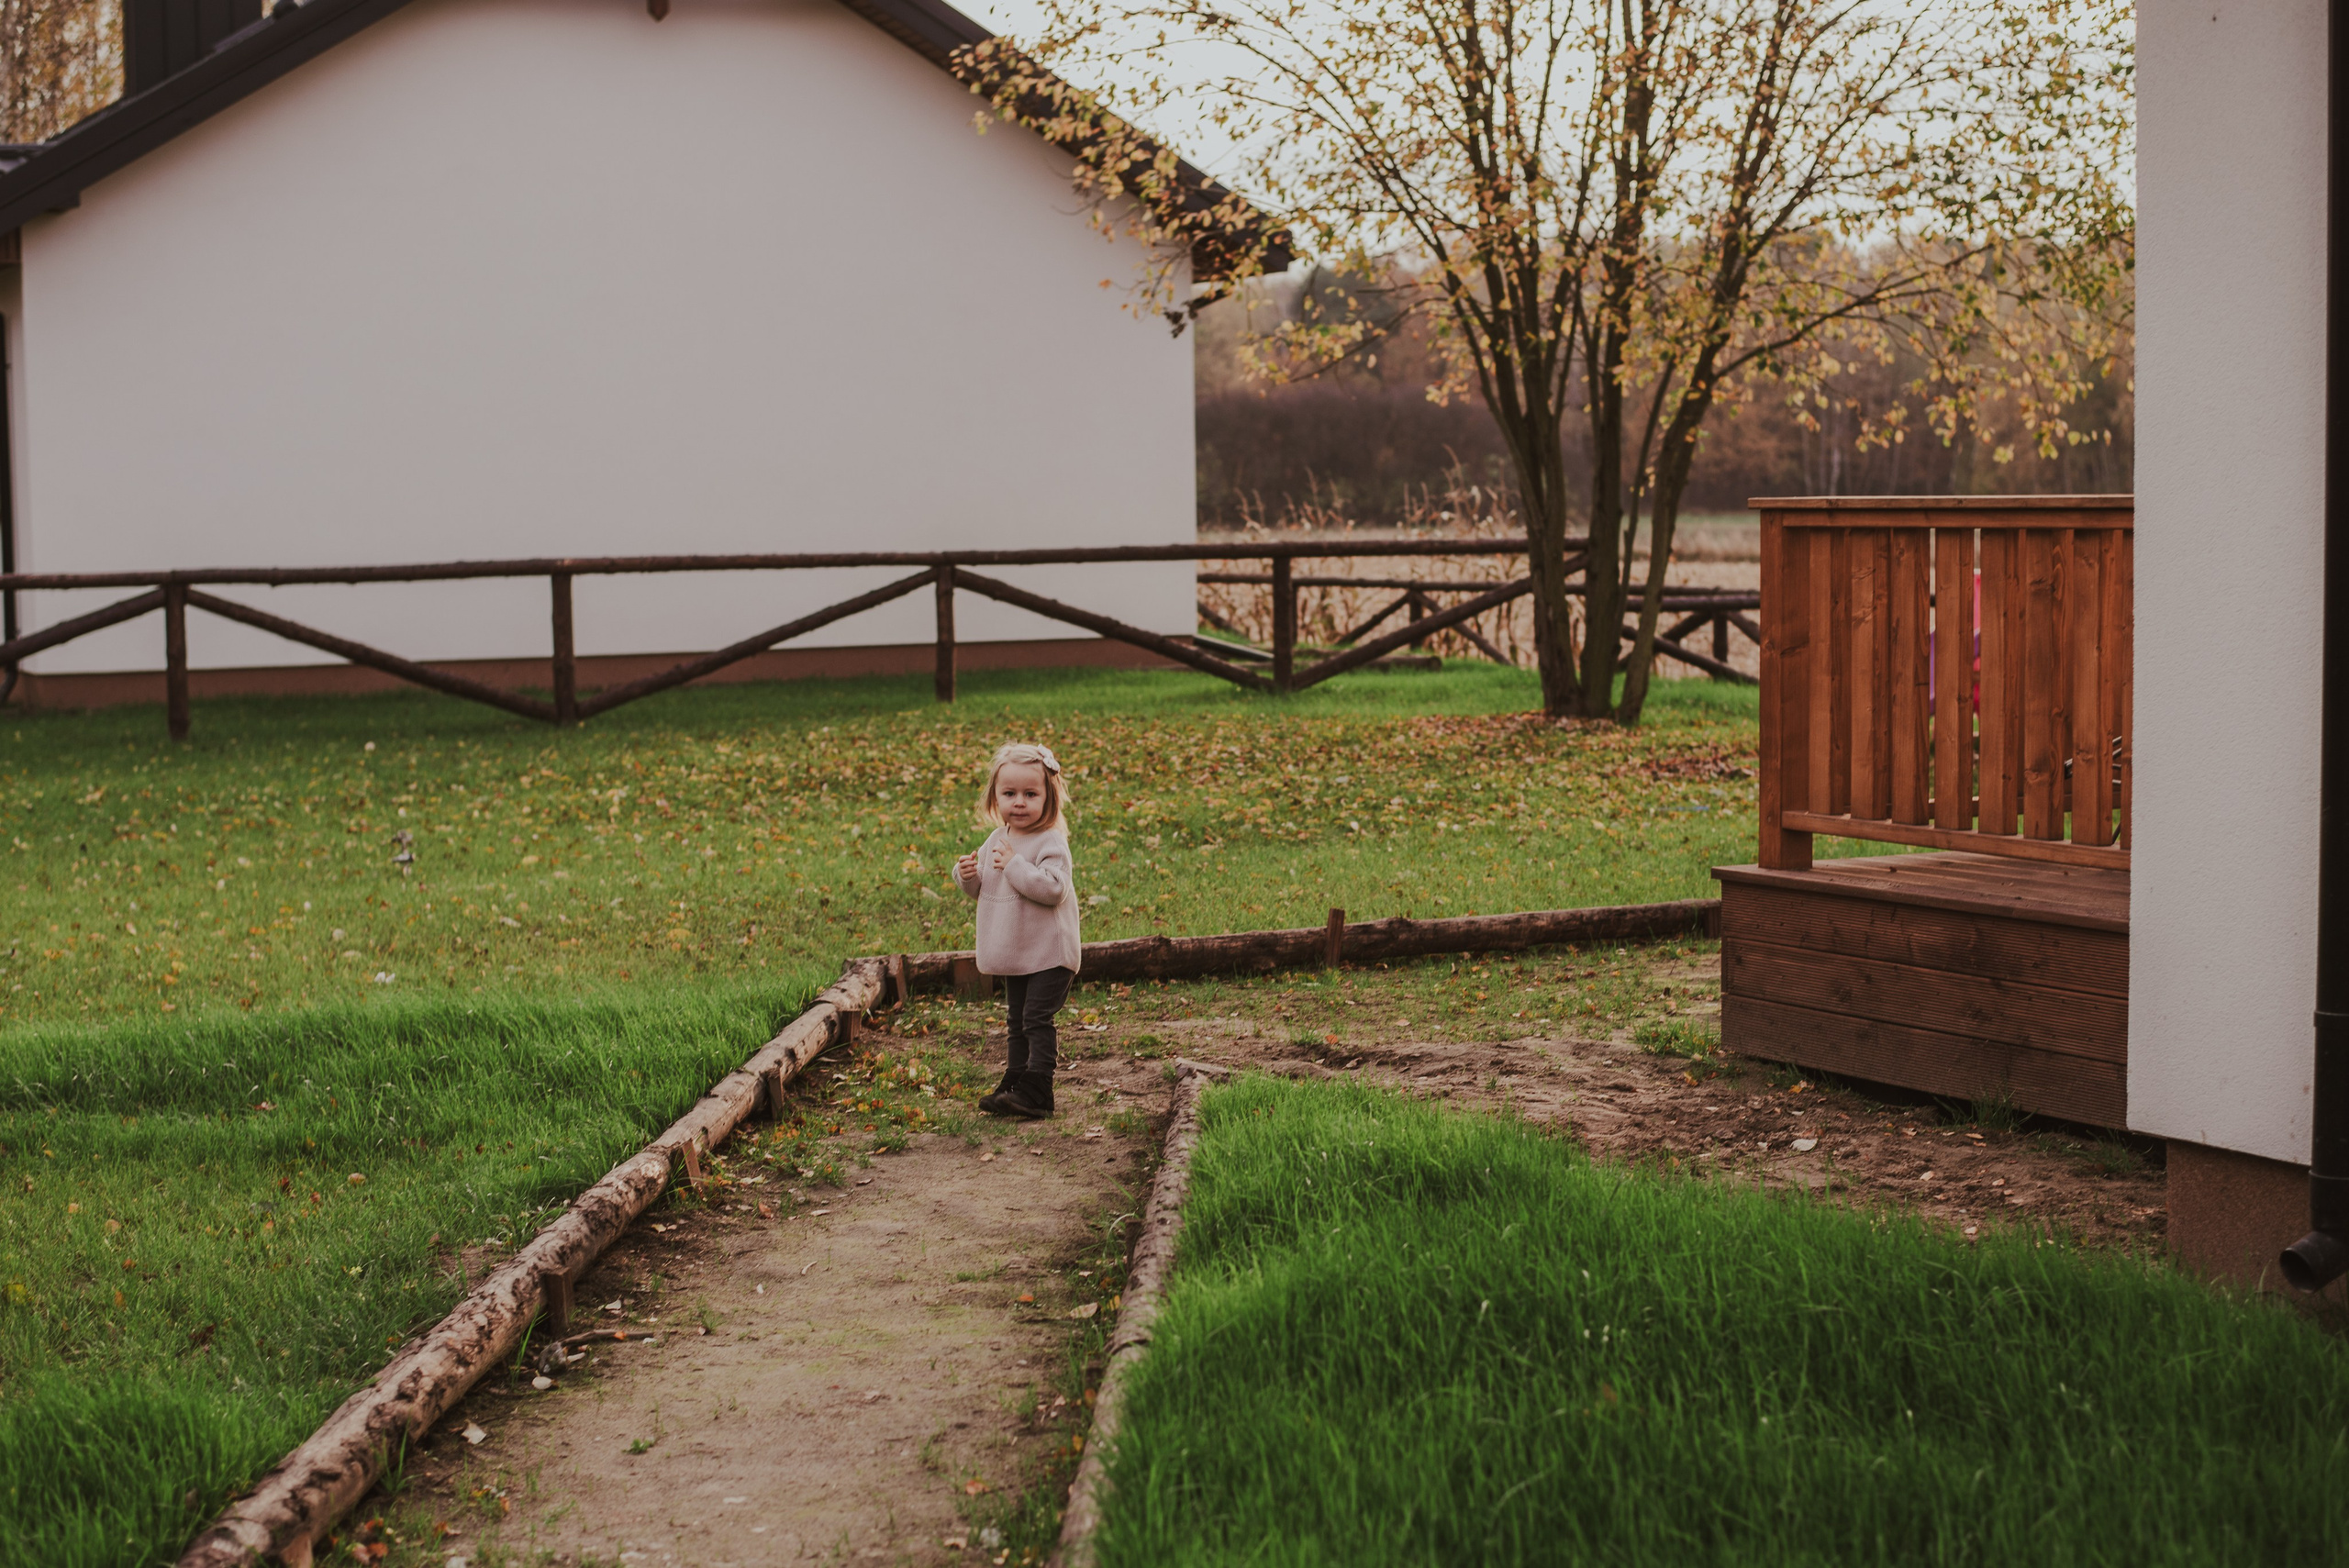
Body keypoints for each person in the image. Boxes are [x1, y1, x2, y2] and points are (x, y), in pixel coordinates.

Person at [954, 741, 1081, 1119]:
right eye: (1009, 794)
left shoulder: (1051, 842)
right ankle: (1015, 1080)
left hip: (1050, 954)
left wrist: (1013, 865)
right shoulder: (998, 839)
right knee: (1015, 1019)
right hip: (1020, 952)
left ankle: (1038, 1088)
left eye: (1030, 794)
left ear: (1049, 798)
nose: (1019, 802)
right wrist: (967, 877)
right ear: (995, 796)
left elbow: (1053, 890)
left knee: (1036, 1019)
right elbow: (986, 890)